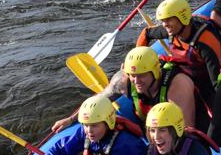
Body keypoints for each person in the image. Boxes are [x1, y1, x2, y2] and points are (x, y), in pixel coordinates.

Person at [50, 46, 207, 133]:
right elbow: (99, 100)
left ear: (155, 71)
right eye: (133, 75)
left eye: (142, 76)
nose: (136, 81)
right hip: (151, 130)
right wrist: (70, 119)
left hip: (184, 131)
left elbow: (187, 131)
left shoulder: (178, 85)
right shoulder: (123, 81)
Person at [136, 0, 221, 108]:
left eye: (168, 19)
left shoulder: (206, 41)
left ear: (182, 18)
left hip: (204, 81)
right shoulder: (172, 29)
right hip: (180, 73)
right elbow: (146, 33)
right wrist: (137, 60)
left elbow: (218, 82)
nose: (164, 25)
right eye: (163, 20)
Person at [38, 95, 148, 155]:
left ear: (107, 123)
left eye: (95, 125)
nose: (89, 131)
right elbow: (63, 148)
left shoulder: (126, 143)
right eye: (86, 125)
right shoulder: (84, 133)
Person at [146, 102, 221, 155]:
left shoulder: (194, 151)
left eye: (162, 130)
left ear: (176, 130)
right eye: (152, 130)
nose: (156, 137)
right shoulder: (151, 151)